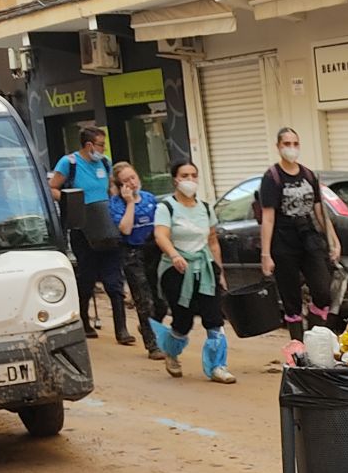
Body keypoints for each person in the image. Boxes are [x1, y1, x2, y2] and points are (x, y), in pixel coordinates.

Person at [150, 160, 234, 383]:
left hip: (205, 269)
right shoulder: (166, 208)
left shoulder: (205, 208)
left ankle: (218, 366)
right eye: (184, 175)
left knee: (214, 317)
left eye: (193, 175)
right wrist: (175, 255)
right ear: (175, 179)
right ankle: (172, 351)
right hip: (176, 270)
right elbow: (161, 235)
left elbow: (213, 240)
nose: (190, 180)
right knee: (183, 320)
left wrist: (220, 271)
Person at [257, 127, 341, 342]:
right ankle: (298, 345)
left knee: (323, 291)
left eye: (295, 144)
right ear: (278, 147)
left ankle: (314, 334)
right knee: (291, 297)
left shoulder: (308, 175)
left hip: (309, 236)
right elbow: (268, 217)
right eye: (286, 144)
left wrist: (333, 241)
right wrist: (266, 254)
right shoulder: (272, 177)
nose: (291, 149)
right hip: (283, 240)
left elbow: (320, 211)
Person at [50, 126, 131, 343]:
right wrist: (72, 203)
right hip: (82, 229)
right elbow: (53, 188)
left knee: (114, 279)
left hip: (105, 225)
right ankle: (84, 320)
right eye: (101, 144)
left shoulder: (104, 163)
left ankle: (121, 329)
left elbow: (110, 191)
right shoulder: (69, 163)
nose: (103, 149)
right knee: (86, 277)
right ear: (89, 145)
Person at [109, 161, 166, 359]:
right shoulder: (116, 204)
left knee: (161, 302)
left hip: (154, 251)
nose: (131, 183)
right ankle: (153, 345)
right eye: (125, 181)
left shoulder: (150, 199)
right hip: (132, 253)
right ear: (119, 185)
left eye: (133, 178)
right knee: (144, 300)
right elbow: (124, 229)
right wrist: (130, 202)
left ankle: (147, 326)